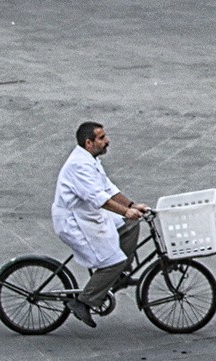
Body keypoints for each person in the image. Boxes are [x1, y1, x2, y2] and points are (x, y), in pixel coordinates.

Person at [51, 122, 151, 328]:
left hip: (90, 215)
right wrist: (125, 211)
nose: (107, 141)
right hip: (75, 222)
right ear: (89, 143)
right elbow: (98, 198)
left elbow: (108, 189)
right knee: (112, 261)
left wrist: (132, 206)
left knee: (130, 226)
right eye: (102, 138)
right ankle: (85, 302)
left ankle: (118, 275)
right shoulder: (79, 165)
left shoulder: (91, 160)